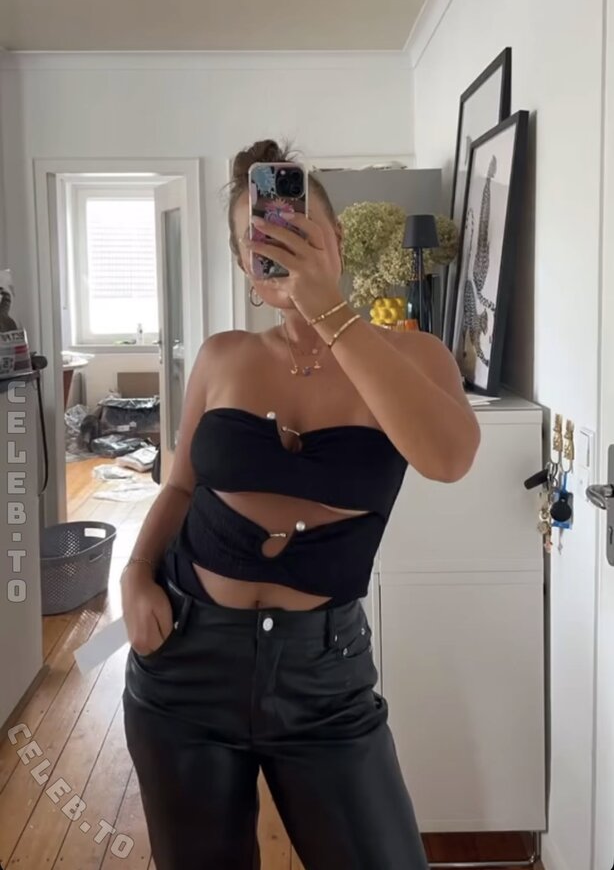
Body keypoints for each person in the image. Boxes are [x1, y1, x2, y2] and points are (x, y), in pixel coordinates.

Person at [121, 139, 481, 870]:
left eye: (295, 225)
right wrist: (133, 574)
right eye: (258, 237)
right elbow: (181, 487)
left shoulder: (417, 356)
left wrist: (332, 313)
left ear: (335, 239)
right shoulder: (222, 357)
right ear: (245, 268)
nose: (278, 244)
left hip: (325, 677)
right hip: (184, 662)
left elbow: (449, 459)